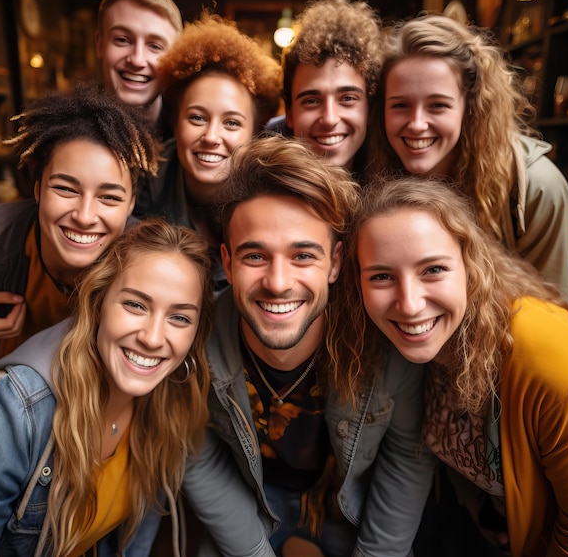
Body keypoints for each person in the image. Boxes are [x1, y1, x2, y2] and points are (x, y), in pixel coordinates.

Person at [180, 137, 436, 556]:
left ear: (335, 263)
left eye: (302, 256)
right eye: (255, 257)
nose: (278, 282)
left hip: (350, 505)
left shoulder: (385, 336)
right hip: (249, 498)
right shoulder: (192, 338)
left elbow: (407, 455)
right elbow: (194, 453)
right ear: (226, 263)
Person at [341, 175, 568, 557]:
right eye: (382, 276)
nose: (410, 304)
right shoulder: (419, 347)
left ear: (470, 264)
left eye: (432, 269)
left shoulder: (551, 365)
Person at [0, 218, 213, 555]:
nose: (152, 338)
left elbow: (134, 539)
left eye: (179, 317)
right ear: (98, 303)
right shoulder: (16, 409)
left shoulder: (170, 402)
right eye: (135, 305)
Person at [366, 13, 568, 299]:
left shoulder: (536, 188)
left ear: (471, 107)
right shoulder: (372, 169)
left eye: (438, 105)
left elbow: (552, 322)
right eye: (400, 105)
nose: (416, 124)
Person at [0, 82, 161, 362]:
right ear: (37, 189)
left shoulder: (149, 263)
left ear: (131, 204)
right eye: (66, 189)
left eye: (109, 197)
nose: (85, 216)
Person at [133, 12, 282, 292]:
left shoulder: (271, 195)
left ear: (253, 134)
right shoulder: (139, 183)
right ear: (176, 123)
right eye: (197, 118)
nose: (212, 137)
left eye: (231, 123)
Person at [270, 0, 382, 177]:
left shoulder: (392, 192)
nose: (330, 119)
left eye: (347, 98)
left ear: (369, 109)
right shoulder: (261, 195)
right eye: (311, 101)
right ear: (290, 114)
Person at [96, 0, 184, 135]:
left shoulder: (187, 135)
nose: (137, 60)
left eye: (155, 46)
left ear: (175, 57)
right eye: (122, 40)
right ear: (99, 44)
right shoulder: (67, 134)